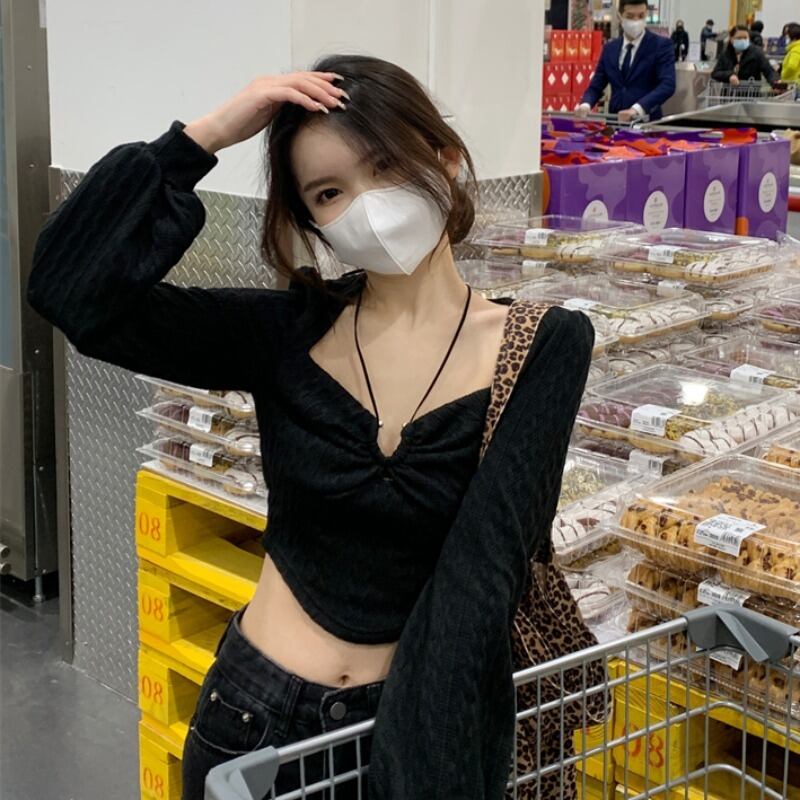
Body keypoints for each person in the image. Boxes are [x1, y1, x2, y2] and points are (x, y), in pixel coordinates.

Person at [27, 55, 593, 800]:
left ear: (445, 159)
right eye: (329, 193)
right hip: (254, 721)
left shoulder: (544, 346)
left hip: (410, 730)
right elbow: (70, 291)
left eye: (385, 165)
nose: (367, 205)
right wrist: (205, 136)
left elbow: (482, 577)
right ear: (312, 221)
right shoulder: (284, 331)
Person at [576, 0, 676, 122]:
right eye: (630, 16)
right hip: (614, 123)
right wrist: (586, 104)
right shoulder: (610, 49)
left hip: (646, 124)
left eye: (641, 16)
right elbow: (596, 86)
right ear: (620, 16)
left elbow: (667, 85)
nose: (636, 21)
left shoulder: (661, 46)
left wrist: (637, 109)